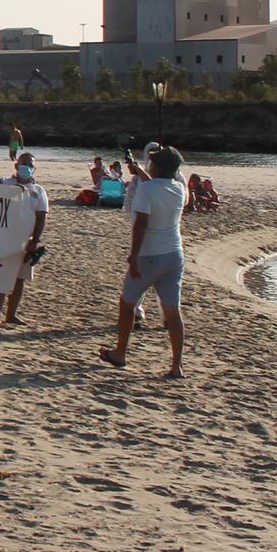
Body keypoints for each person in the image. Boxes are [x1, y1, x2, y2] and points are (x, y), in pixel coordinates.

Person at [100, 146, 190, 378]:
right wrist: (141, 172)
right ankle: (177, 364)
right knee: (172, 310)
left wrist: (134, 256)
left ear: (154, 166)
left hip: (150, 255)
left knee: (127, 302)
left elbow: (140, 224)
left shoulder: (146, 190)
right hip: (174, 254)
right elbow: (157, 186)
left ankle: (120, 352)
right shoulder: (179, 188)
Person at [0, 152, 49, 326]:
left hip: (25, 242)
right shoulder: (3, 183)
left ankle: (11, 314)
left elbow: (41, 217)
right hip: (2, 239)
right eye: (23, 164)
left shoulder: (38, 191)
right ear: (16, 166)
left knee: (19, 279)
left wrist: (35, 240)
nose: (26, 168)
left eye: (30, 165)